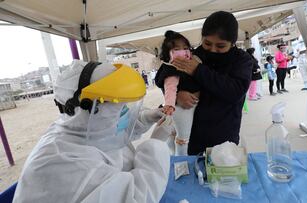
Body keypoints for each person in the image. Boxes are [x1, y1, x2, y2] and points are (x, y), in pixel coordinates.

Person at [13, 60, 176, 203]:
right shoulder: (63, 163)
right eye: (119, 108)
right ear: (87, 109)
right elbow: (137, 197)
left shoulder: (76, 128)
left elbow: (109, 135)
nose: (125, 112)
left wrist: (144, 118)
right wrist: (155, 144)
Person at [171, 11, 253, 155]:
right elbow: (169, 78)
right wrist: (178, 94)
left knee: (222, 173)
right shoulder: (195, 54)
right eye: (207, 43)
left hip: (224, 135)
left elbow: (235, 91)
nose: (213, 50)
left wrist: (198, 70)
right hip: (193, 135)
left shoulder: (242, 60)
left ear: (232, 43)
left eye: (220, 46)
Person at [155, 30, 200, 155]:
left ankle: (173, 150)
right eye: (177, 49)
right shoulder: (171, 68)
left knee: (176, 133)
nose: (183, 51)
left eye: (186, 48)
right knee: (184, 138)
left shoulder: (192, 62)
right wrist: (169, 105)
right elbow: (170, 88)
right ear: (169, 54)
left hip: (188, 107)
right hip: (182, 109)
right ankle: (181, 161)